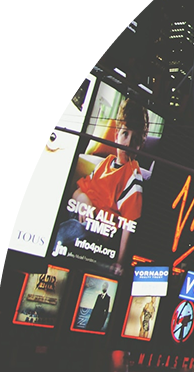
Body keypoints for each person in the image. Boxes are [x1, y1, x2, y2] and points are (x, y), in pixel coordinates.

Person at [55, 98, 148, 276]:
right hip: (78, 214)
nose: (128, 143)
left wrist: (120, 262)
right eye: (125, 134)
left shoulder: (133, 177)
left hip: (95, 232)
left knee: (68, 231)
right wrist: (84, 199)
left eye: (135, 139)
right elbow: (78, 191)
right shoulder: (105, 163)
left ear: (140, 145)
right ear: (116, 135)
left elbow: (129, 224)